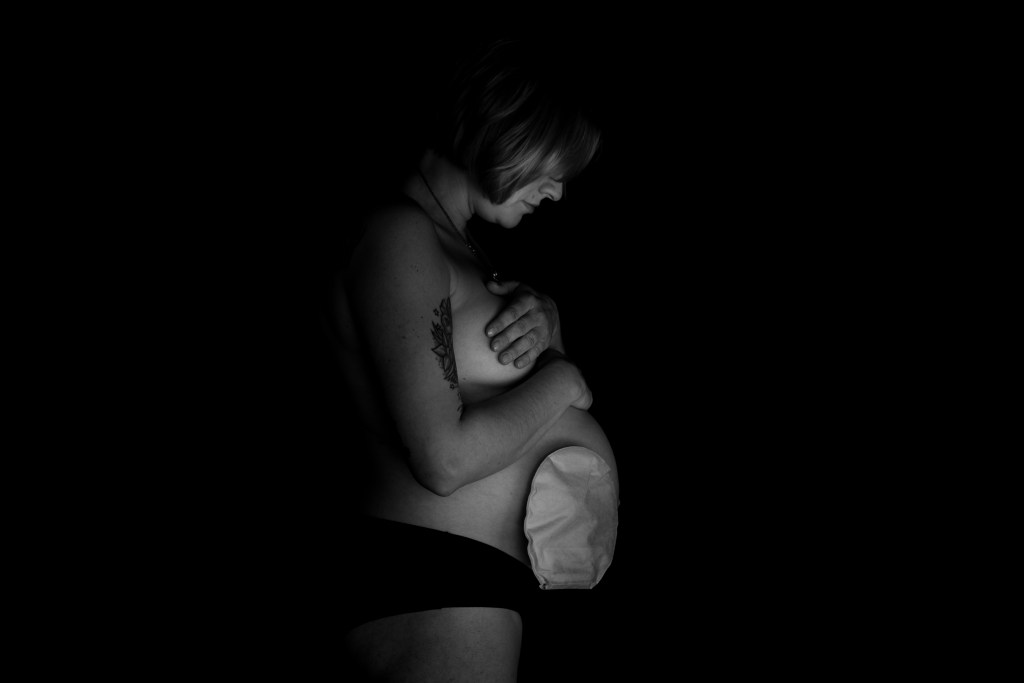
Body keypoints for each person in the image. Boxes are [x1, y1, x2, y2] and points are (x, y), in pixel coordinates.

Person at [323, 38, 618, 681]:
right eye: (553, 166)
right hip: (434, 579)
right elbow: (445, 461)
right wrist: (563, 377)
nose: (558, 193)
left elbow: (561, 406)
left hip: (467, 582)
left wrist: (552, 332)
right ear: (506, 128)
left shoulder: (463, 250)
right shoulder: (400, 233)